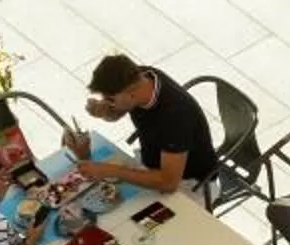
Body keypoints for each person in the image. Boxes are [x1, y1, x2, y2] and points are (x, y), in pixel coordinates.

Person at [65, 54, 217, 203]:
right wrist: (103, 111)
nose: (107, 103)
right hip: (151, 163)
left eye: (110, 99)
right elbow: (117, 112)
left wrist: (108, 170)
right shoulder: (139, 77)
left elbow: (168, 183)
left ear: (131, 92)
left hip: (190, 182)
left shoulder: (175, 116)